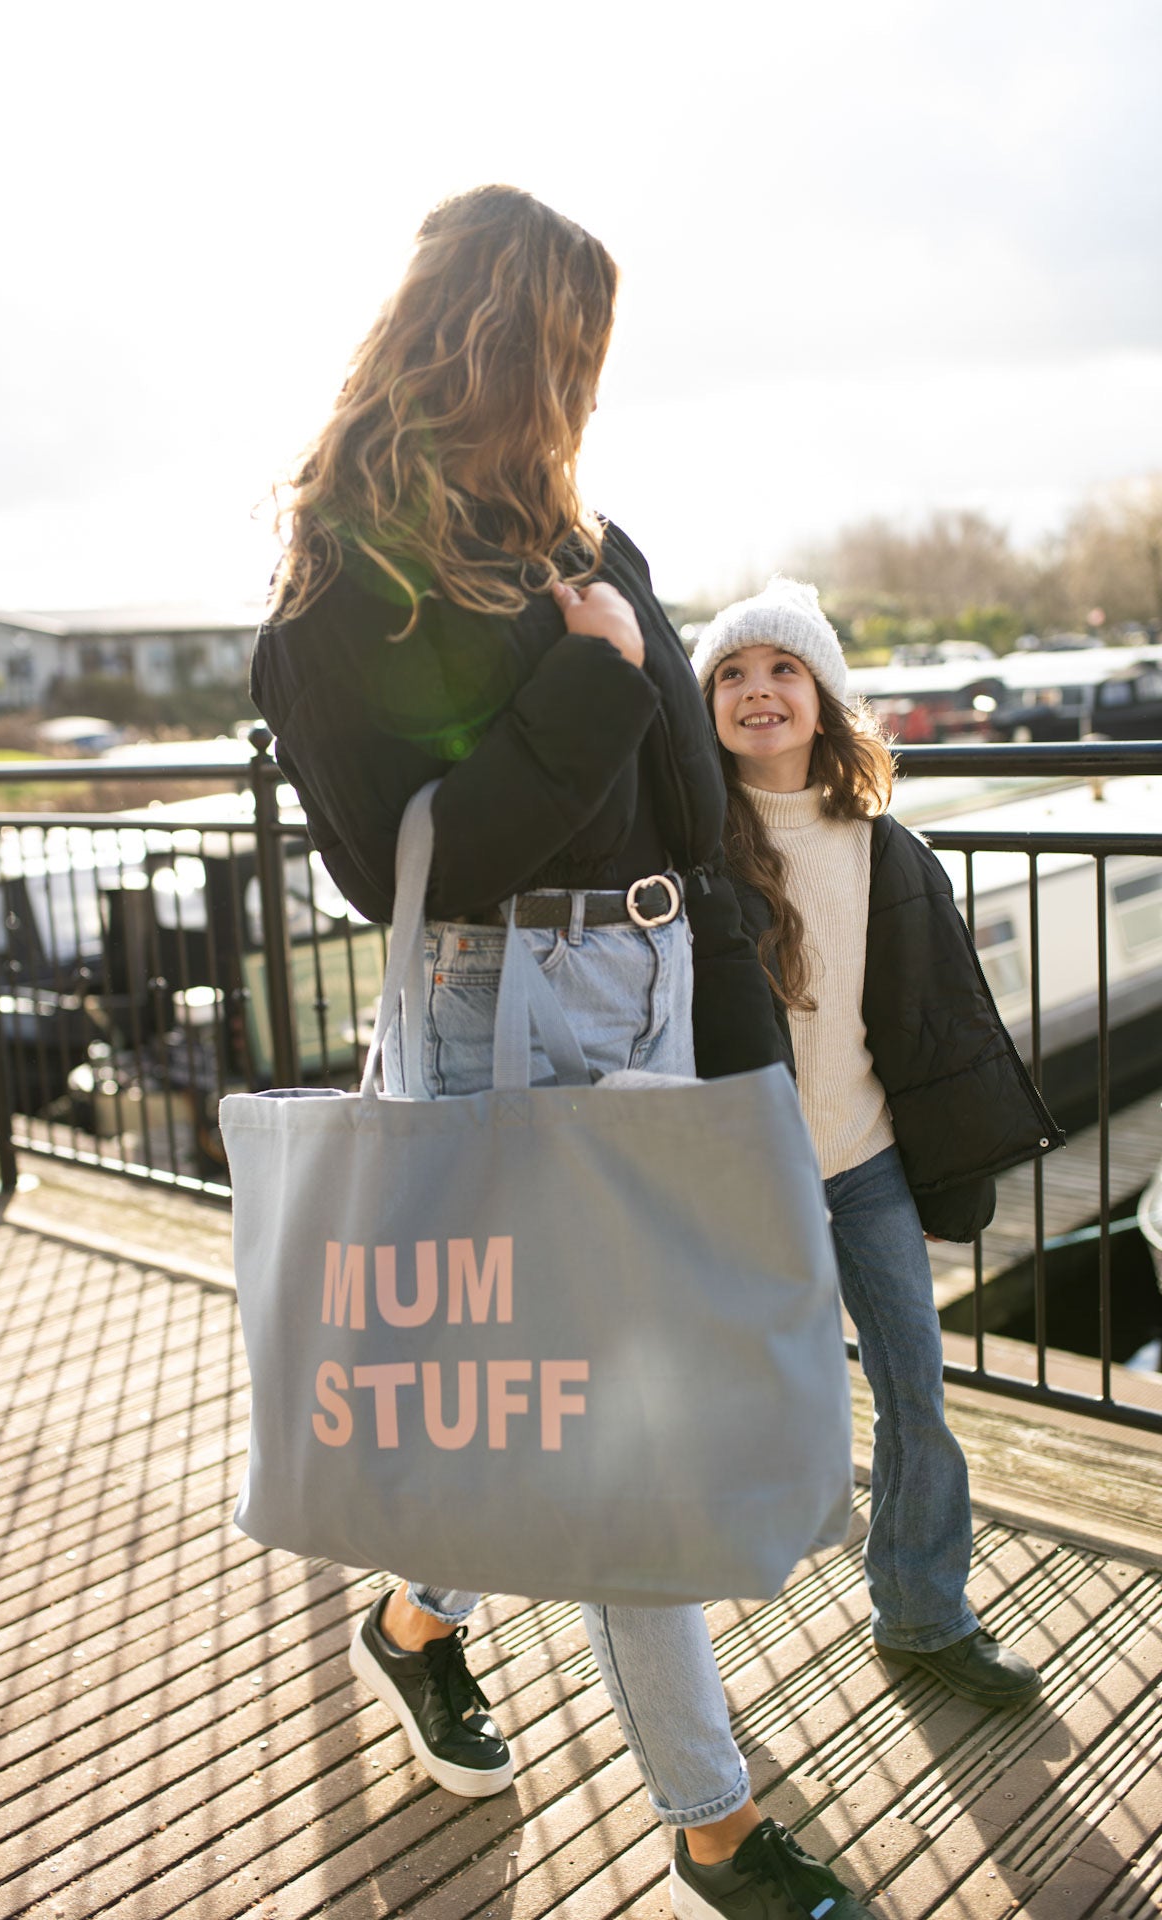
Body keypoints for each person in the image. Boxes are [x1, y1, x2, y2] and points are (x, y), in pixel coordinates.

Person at [249, 189, 875, 1920]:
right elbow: (391, 863)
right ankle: (713, 1824)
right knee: (614, 1427)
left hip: (661, 986)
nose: (588, 392)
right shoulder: (344, 578)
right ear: (504, 342)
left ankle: (413, 1608)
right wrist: (584, 690)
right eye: (573, 352)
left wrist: (752, 1082)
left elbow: (692, 816)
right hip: (488, 1009)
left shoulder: (600, 552)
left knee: (545, 1396)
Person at [691, 577, 1063, 1710]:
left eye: (781, 670)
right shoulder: (684, 845)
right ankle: (675, 1638)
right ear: (703, 706)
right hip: (737, 1183)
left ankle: (920, 1615)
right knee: (710, 1402)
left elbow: (929, 1016)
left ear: (822, 698)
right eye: (730, 675)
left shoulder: (880, 846)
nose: (757, 691)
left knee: (916, 1393)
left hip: (864, 1168)